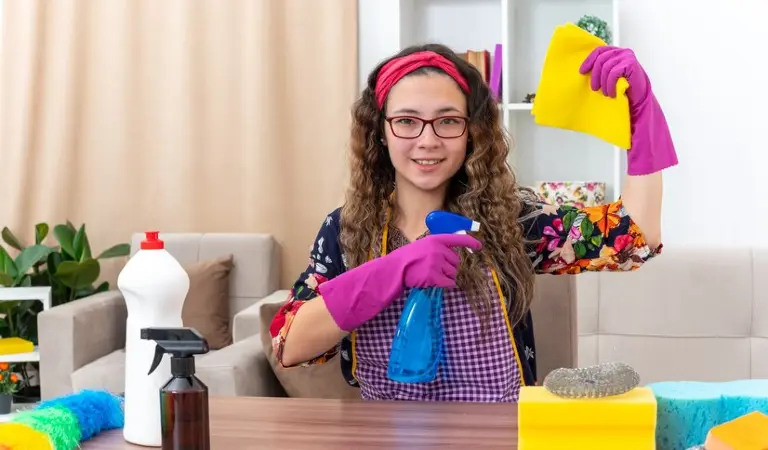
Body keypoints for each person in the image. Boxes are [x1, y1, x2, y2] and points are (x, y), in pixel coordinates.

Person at [269, 43, 678, 402]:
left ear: (471, 134)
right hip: (385, 431)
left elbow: (634, 237)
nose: (427, 140)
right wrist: (394, 268)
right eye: (407, 121)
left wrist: (641, 113)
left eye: (448, 121)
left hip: (499, 431)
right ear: (381, 131)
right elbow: (290, 345)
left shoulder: (510, 220)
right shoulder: (346, 229)